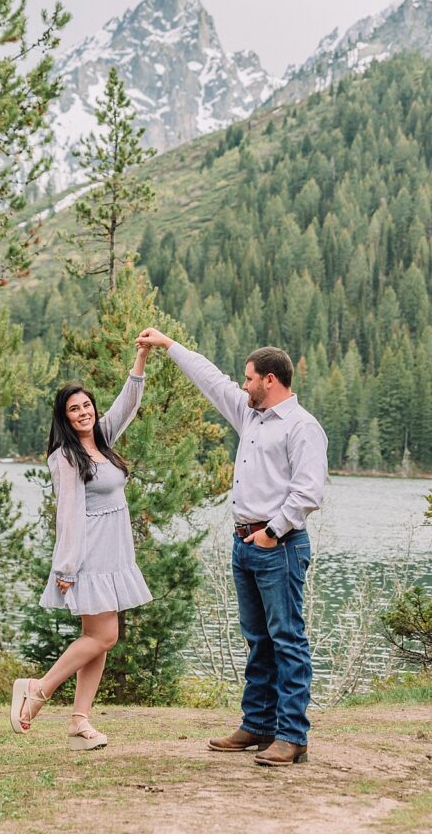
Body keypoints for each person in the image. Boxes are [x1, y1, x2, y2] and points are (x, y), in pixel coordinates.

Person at [136, 328, 327, 766]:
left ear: (271, 381)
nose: (243, 385)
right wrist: (169, 345)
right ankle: (257, 725)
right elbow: (210, 379)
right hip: (244, 544)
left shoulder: (302, 427)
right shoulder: (250, 416)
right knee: (258, 639)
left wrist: (272, 533)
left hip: (278, 546)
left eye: (249, 379)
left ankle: (292, 735)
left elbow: (308, 493)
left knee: (287, 639)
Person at [10, 345, 152, 749]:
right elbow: (68, 515)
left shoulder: (103, 438)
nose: (83, 412)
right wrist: (66, 569)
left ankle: (79, 722)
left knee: (101, 638)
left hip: (115, 552)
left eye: (87, 405)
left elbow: (128, 404)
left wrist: (139, 361)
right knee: (104, 637)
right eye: (74, 409)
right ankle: (39, 689)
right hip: (90, 554)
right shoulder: (66, 458)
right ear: (65, 417)